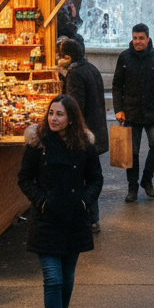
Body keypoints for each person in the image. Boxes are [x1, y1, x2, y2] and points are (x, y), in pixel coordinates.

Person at [18, 95, 103, 308]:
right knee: (53, 279)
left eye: (60, 114)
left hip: (74, 219)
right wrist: (41, 201)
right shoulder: (37, 142)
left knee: (66, 279)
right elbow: (24, 177)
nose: (53, 118)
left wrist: (83, 202)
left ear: (71, 118)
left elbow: (96, 179)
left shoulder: (84, 146)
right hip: (46, 220)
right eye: (51, 113)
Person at [111, 22, 154, 202]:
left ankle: (147, 179)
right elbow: (116, 85)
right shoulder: (124, 57)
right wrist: (119, 109)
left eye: (141, 38)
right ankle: (132, 187)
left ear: (148, 38)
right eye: (135, 38)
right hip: (131, 112)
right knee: (132, 153)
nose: (137, 42)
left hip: (153, 112)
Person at [59, 38, 109, 233]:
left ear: (68, 57)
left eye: (60, 56)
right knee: (90, 175)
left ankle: (89, 219)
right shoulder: (90, 68)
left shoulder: (75, 73)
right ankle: (92, 218)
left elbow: (74, 106)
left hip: (84, 135)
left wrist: (69, 131)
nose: (58, 59)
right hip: (95, 132)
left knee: (81, 177)